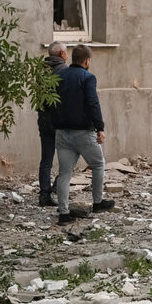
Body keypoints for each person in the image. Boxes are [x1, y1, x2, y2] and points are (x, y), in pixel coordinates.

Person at [52, 45, 114, 225]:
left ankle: (63, 214)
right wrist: (100, 128)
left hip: (62, 132)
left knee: (64, 173)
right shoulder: (88, 77)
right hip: (83, 132)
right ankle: (98, 202)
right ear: (87, 61)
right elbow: (93, 103)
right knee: (98, 164)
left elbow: (51, 104)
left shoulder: (58, 76)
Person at [36, 42, 68, 206]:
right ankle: (56, 187)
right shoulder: (64, 71)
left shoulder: (40, 70)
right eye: (66, 52)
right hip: (60, 122)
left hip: (44, 120)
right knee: (68, 158)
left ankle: (44, 195)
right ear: (62, 54)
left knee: (46, 160)